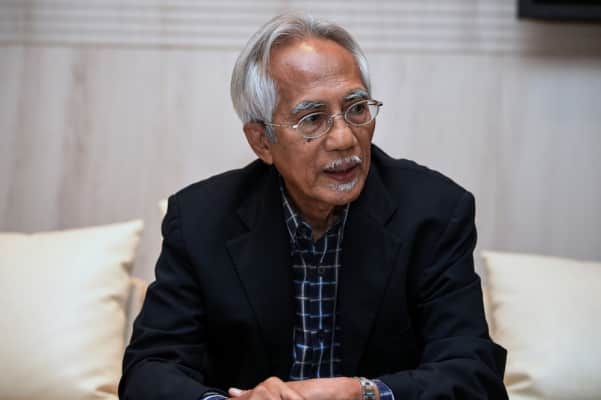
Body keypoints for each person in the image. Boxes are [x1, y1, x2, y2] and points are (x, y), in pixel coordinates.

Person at [119, 13, 507, 400]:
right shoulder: (200, 220)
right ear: (262, 141)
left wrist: (366, 393)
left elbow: (473, 374)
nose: (344, 139)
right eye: (313, 119)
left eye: (357, 109)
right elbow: (149, 370)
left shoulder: (434, 213)